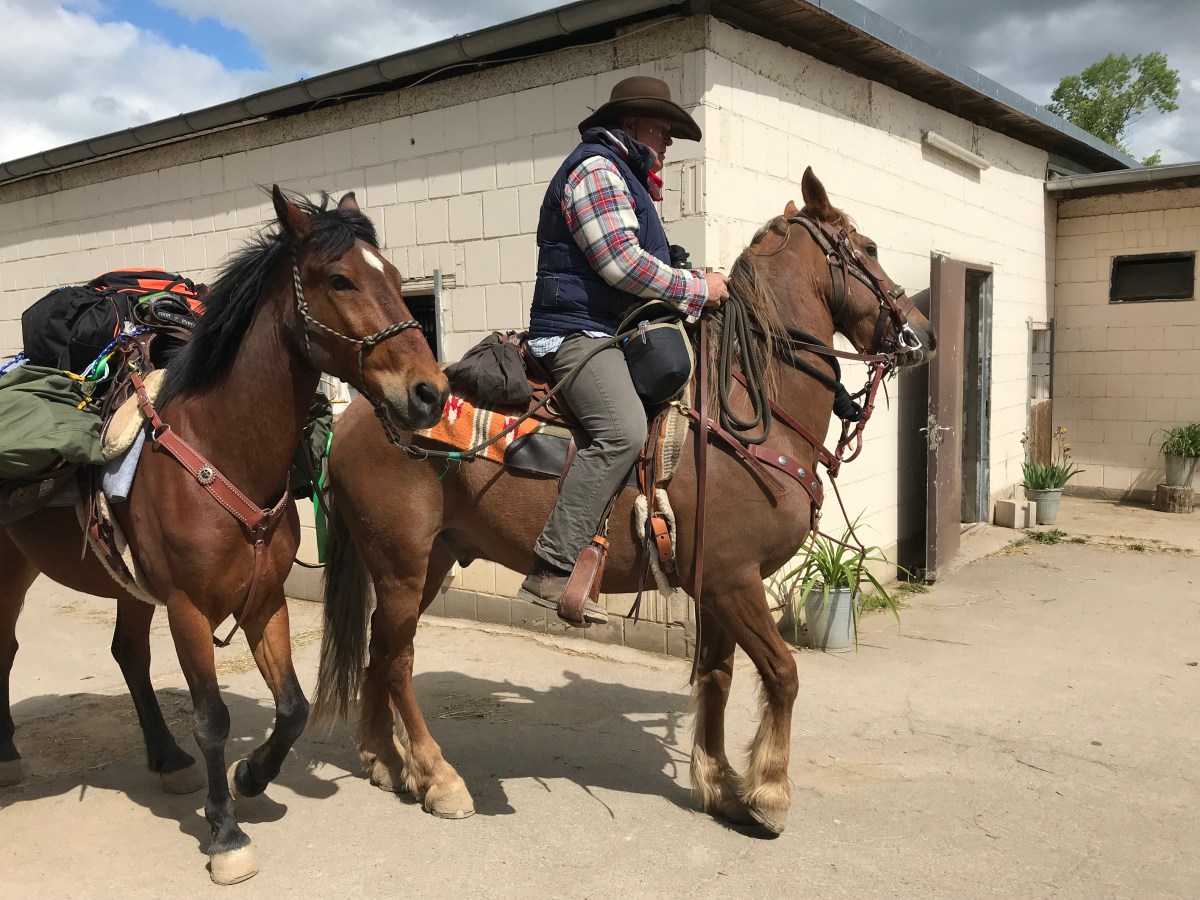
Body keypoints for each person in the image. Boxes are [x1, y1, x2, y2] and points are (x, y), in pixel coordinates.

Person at [517, 75, 729, 626]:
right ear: (637, 125)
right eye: (665, 131)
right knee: (624, 431)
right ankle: (552, 565)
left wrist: (687, 277)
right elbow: (621, 263)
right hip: (575, 334)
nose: (670, 144)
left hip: (605, 331)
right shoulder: (597, 169)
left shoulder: (624, 176)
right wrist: (697, 288)